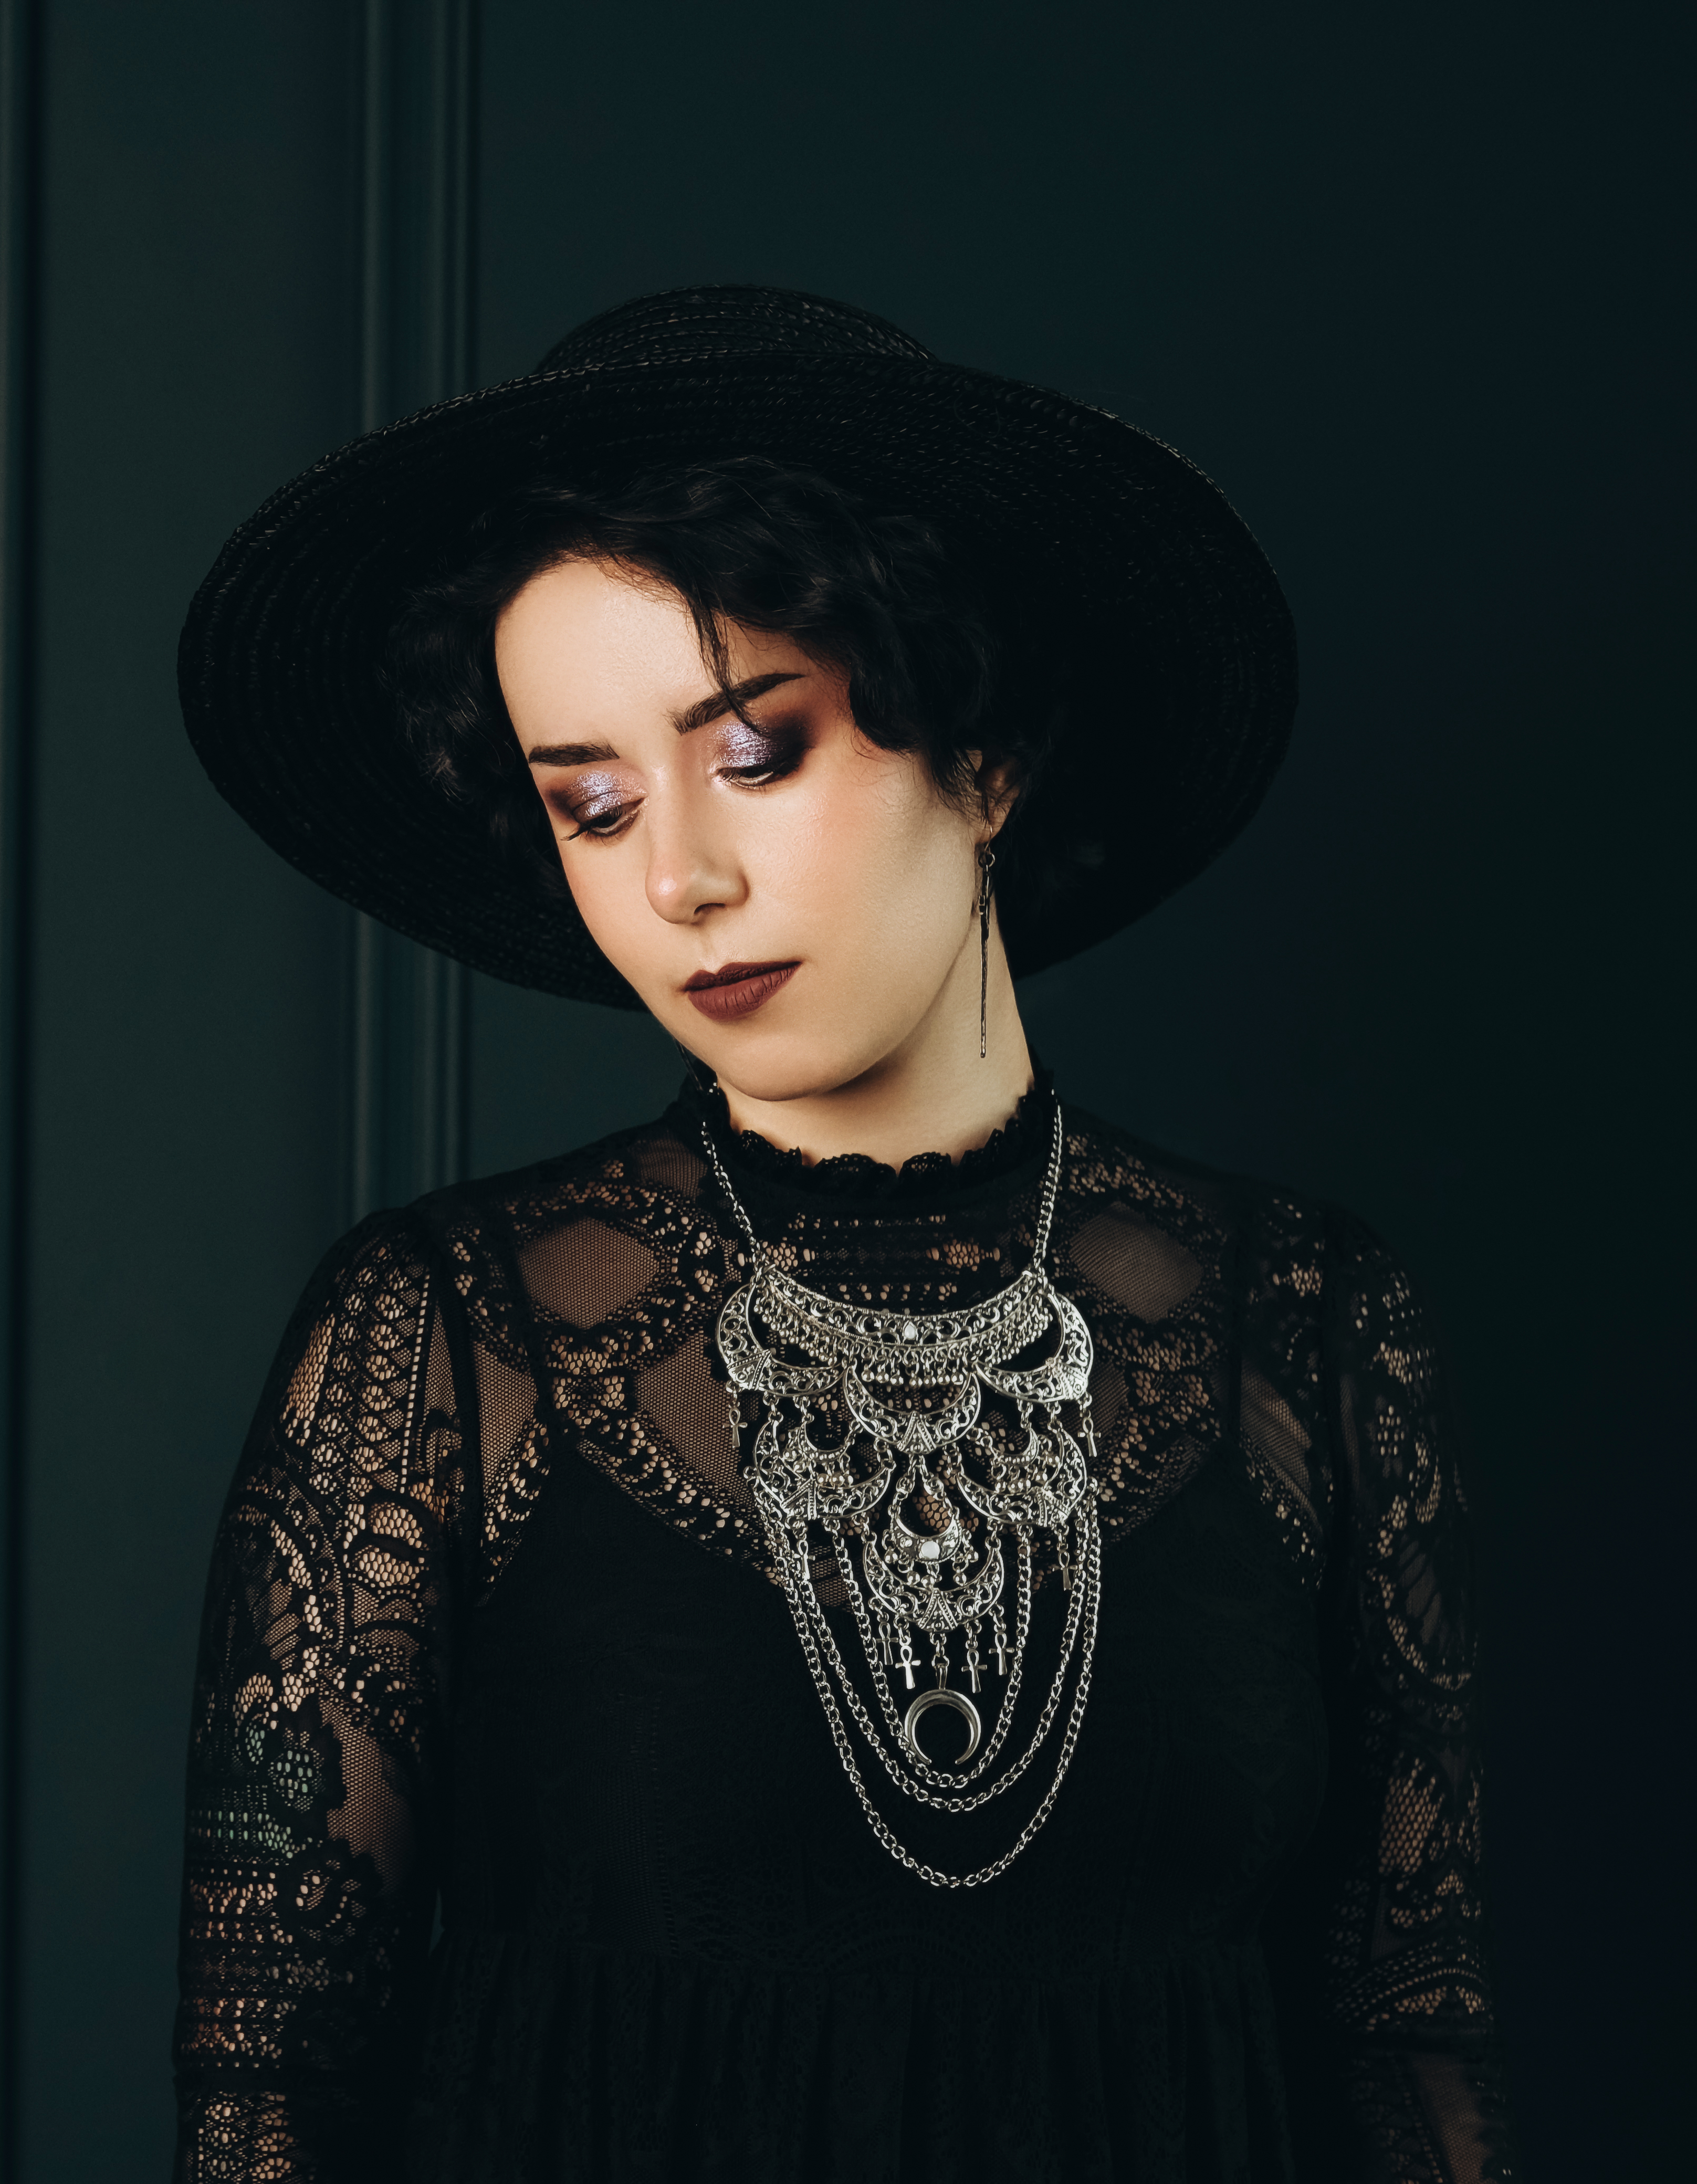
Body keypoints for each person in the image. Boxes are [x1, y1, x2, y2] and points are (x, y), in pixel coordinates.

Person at [166, 288, 1512, 2183]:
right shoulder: (439, 1341)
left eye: (759, 752)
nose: (679, 879)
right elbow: (267, 2088)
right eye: (593, 803)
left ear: (988, 747)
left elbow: (1415, 2038)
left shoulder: (1312, 1324)